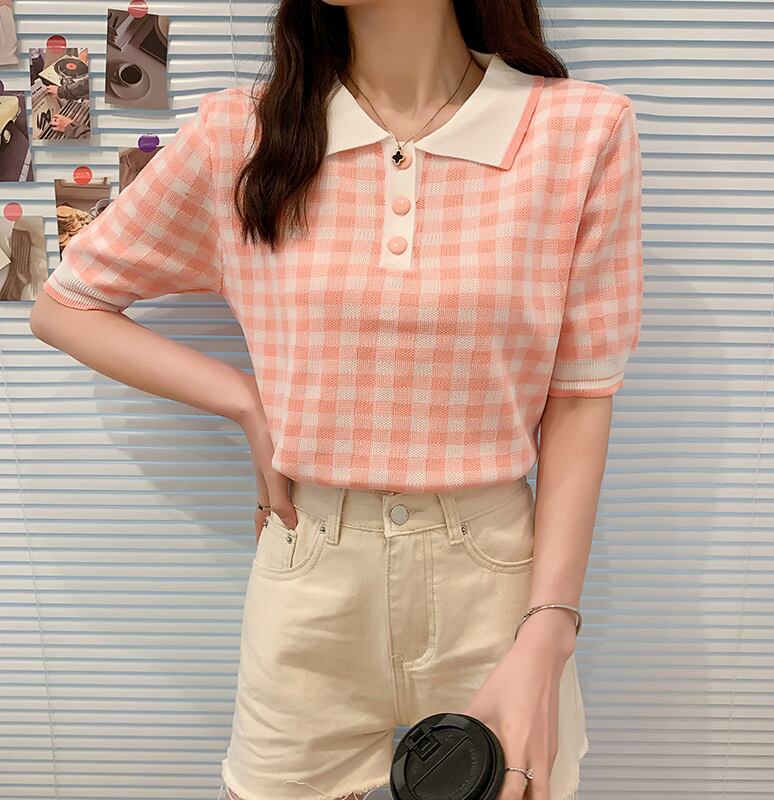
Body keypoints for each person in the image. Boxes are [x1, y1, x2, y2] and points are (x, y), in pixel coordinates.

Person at [29, 1, 644, 799]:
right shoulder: (243, 135)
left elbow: (581, 398)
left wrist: (549, 631)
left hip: (497, 584)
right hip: (310, 568)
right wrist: (245, 401)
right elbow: (65, 304)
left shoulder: (580, 132)